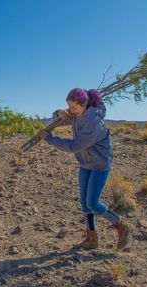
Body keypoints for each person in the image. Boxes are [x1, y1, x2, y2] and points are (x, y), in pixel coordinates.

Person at [37, 88, 132, 250]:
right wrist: (58, 113)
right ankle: (91, 238)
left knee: (93, 203)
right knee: (84, 202)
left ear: (85, 104)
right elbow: (59, 119)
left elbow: (75, 145)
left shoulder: (93, 121)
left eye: (74, 108)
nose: (72, 112)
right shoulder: (78, 113)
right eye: (69, 108)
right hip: (85, 163)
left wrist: (50, 139)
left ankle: (121, 226)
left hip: (100, 164)